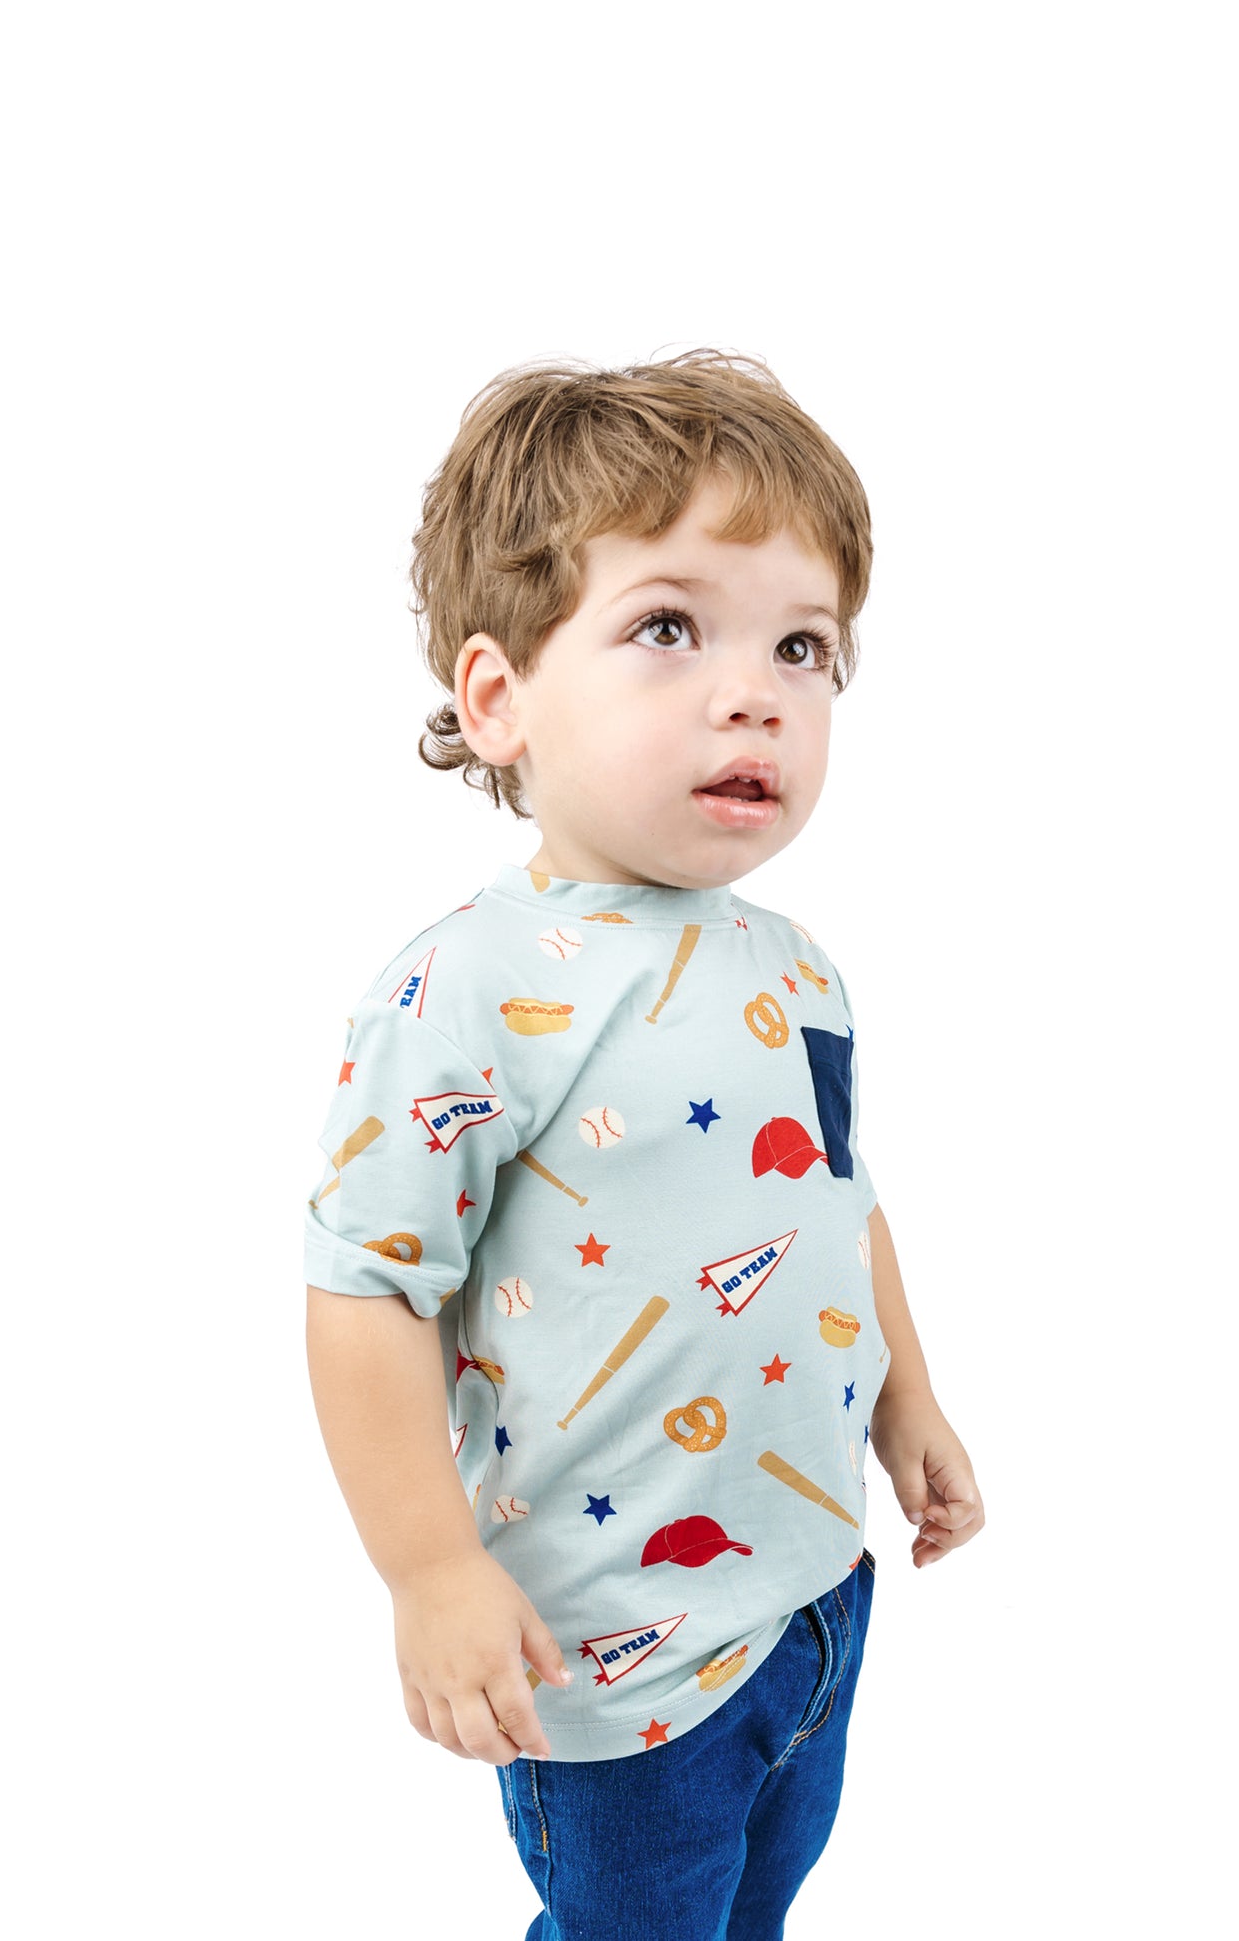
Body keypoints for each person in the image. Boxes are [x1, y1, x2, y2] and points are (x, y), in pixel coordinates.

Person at [303, 348, 983, 1938]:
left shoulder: (797, 962)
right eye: (667, 627)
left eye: (802, 646)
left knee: (759, 1901)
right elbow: (366, 1292)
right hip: (614, 1644)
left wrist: (912, 1396)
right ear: (497, 698)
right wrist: (425, 1570)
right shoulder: (467, 987)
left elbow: (835, 1194)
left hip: (812, 1587)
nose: (754, 688)